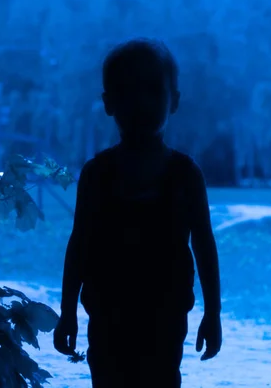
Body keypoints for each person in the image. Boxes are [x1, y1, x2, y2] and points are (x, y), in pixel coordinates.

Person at [53, 37, 222, 388]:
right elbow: (80, 244)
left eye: (151, 90)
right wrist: (67, 311)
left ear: (173, 100)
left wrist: (213, 313)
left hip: (164, 318)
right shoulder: (98, 175)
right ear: (109, 102)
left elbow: (205, 246)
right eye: (128, 91)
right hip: (109, 317)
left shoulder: (185, 176)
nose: (141, 102)